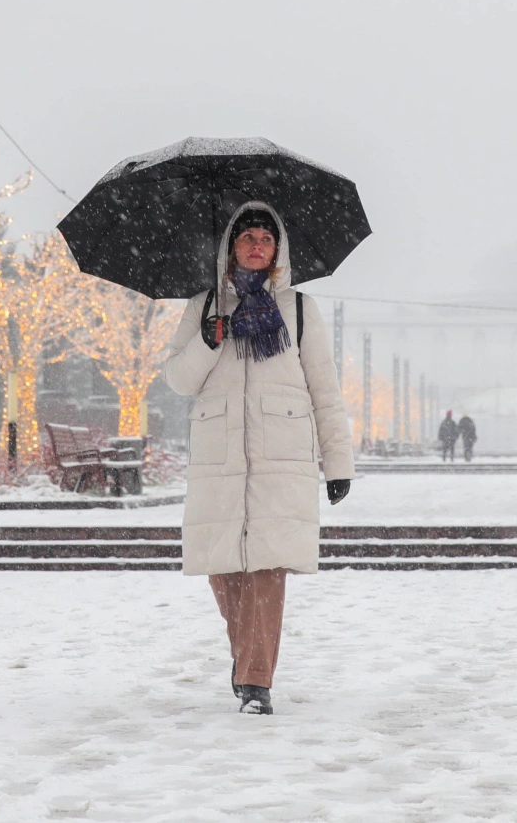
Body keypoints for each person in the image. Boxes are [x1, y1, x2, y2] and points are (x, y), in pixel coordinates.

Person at [162, 202, 354, 716]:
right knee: (224, 571)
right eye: (246, 236)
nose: (255, 245)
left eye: (265, 238)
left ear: (277, 250)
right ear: (230, 247)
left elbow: (325, 390)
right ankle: (248, 661)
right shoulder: (204, 304)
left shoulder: (297, 309)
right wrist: (206, 341)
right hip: (218, 459)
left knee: (268, 570)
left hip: (281, 457)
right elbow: (178, 380)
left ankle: (255, 684)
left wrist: (338, 463)